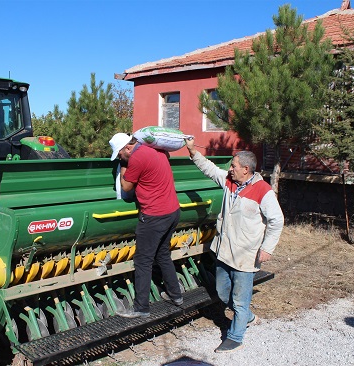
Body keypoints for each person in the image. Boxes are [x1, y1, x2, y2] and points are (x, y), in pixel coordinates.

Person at [184, 138, 284, 353]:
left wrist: (267, 248)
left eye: (234, 166)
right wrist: (192, 150)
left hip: (245, 255)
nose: (230, 169)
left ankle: (235, 336)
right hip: (224, 251)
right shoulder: (230, 182)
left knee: (239, 300)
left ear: (246, 169)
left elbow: (277, 220)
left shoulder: (263, 191)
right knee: (222, 292)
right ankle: (248, 317)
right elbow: (209, 169)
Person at [109, 132, 183, 318]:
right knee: (162, 253)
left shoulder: (137, 158)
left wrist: (124, 164)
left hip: (154, 216)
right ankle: (176, 295)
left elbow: (126, 187)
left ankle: (141, 308)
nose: (119, 157)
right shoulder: (155, 150)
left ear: (127, 147)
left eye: (119, 154)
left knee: (143, 261)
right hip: (173, 211)